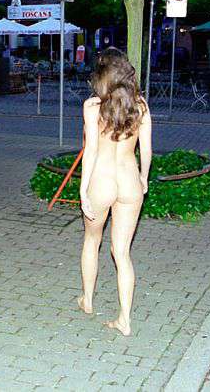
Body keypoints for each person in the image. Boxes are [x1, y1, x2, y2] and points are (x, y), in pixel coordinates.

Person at [78, 48, 152, 336]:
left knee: (91, 240)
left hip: (103, 180)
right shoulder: (141, 106)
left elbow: (90, 152)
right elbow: (146, 150)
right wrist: (144, 178)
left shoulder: (92, 106)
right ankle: (125, 319)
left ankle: (88, 299)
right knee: (122, 253)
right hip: (129, 180)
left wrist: (83, 190)